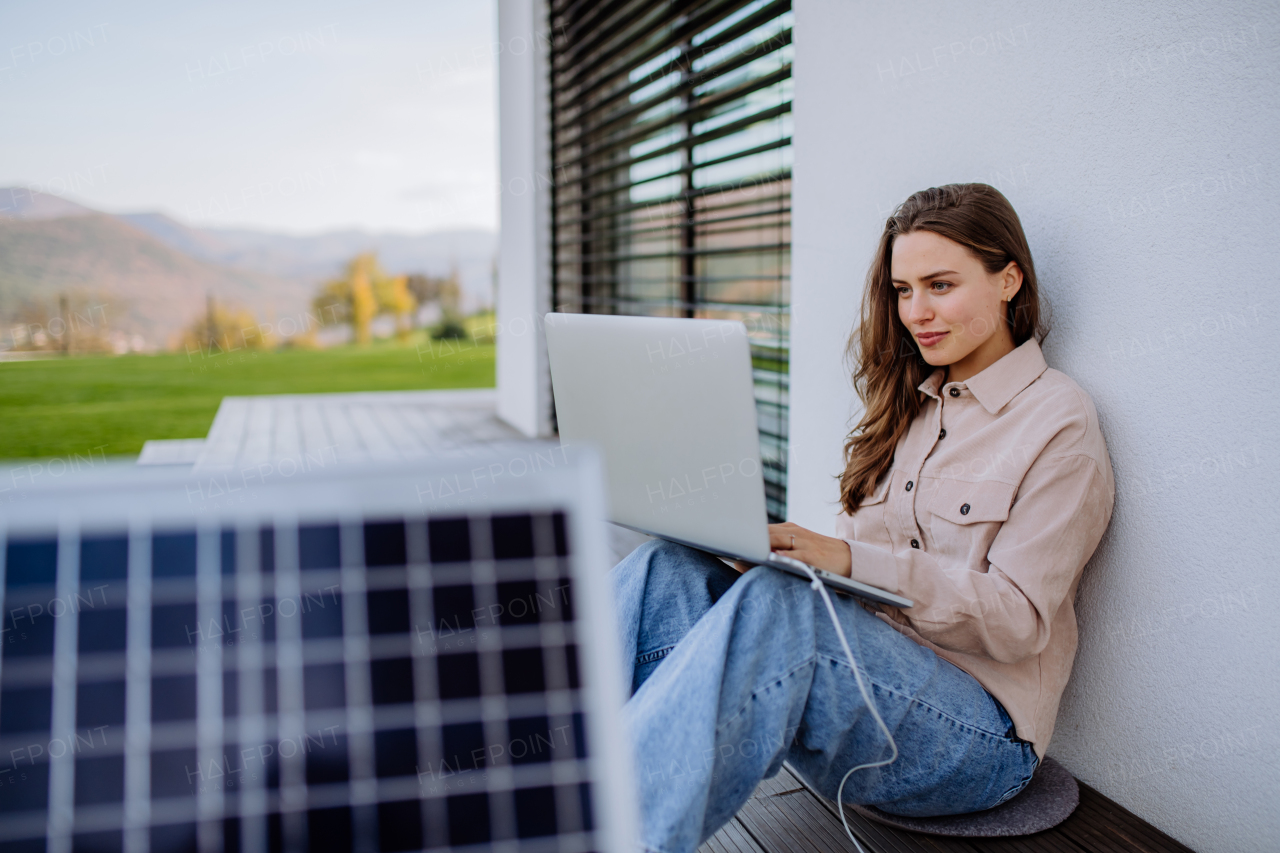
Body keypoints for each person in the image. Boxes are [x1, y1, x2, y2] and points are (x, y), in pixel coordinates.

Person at [612, 183, 1115, 853]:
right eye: (903, 290)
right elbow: (852, 592)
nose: (917, 312)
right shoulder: (909, 406)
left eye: (940, 285)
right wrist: (777, 551)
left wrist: (846, 560)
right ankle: (534, 782)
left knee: (778, 609)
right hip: (868, 689)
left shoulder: (1059, 422)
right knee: (663, 568)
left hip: (978, 738)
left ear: (1009, 279)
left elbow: (1020, 620)